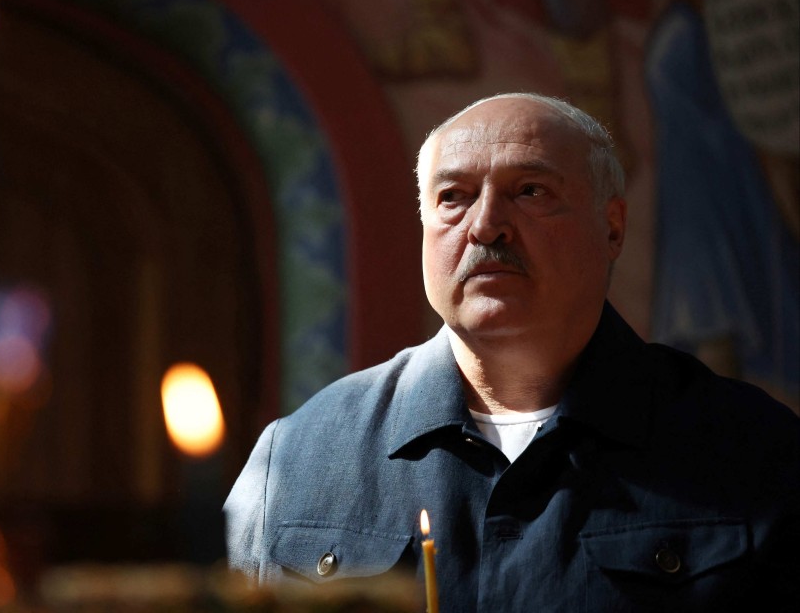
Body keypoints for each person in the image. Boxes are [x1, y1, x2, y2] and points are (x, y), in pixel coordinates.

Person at [223, 93, 799, 611]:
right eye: (454, 197)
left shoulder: (752, 452)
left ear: (613, 228)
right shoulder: (299, 457)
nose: (487, 226)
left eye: (530, 191)